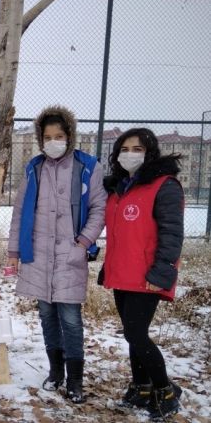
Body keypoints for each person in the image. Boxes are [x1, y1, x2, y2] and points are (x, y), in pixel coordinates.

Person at [6, 106, 106, 403]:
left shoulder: (87, 166)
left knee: (71, 319)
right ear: (40, 139)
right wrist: (14, 251)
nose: (53, 141)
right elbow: (21, 211)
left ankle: (75, 380)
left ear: (69, 136)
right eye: (47, 137)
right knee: (47, 315)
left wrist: (82, 243)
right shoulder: (34, 168)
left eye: (59, 136)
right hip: (37, 254)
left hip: (69, 255)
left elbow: (99, 208)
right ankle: (55, 372)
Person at [99, 128, 184, 419]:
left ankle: (166, 390)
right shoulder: (120, 186)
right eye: (125, 148)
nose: (130, 154)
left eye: (137, 149)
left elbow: (171, 234)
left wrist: (162, 272)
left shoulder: (164, 186)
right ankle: (141, 387)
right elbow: (119, 232)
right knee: (134, 335)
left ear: (150, 153)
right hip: (122, 273)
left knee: (136, 333)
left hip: (147, 275)